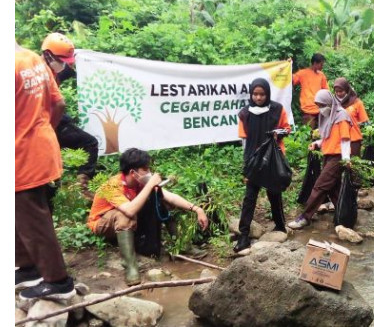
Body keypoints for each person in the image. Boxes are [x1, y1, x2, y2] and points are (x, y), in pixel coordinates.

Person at [87, 148, 209, 285]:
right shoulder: (111, 186)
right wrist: (150, 184)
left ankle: (182, 246)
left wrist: (197, 209)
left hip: (131, 221)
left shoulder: (140, 183)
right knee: (124, 215)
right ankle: (130, 266)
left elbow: (170, 197)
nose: (149, 173)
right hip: (104, 224)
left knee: (159, 197)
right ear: (133, 173)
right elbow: (129, 211)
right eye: (145, 169)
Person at [15, 41, 76, 300]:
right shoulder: (32, 59)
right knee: (20, 214)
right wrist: (41, 129)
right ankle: (27, 268)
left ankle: (58, 281)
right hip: (41, 146)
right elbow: (58, 104)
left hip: (21, 154)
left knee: (33, 218)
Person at [234, 78, 291, 252]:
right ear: (251, 94)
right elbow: (244, 140)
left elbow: (286, 128)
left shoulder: (277, 110)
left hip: (272, 159)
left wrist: (277, 133)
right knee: (249, 198)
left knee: (274, 193)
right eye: (255, 94)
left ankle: (280, 226)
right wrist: (246, 164)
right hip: (254, 160)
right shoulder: (245, 113)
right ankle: (243, 236)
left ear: (267, 94)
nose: (258, 97)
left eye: (262, 94)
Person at [42, 33, 99, 200]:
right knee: (89, 143)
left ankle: (82, 184)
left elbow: (69, 71)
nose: (64, 65)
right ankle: (80, 187)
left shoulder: (54, 67)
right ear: (48, 55)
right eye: (62, 61)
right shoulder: (41, 73)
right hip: (48, 122)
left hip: (57, 118)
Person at [288, 90, 353, 229]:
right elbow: (327, 137)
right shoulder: (328, 117)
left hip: (338, 157)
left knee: (319, 186)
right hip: (328, 155)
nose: (321, 108)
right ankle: (345, 215)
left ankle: (305, 217)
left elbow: (345, 139)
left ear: (330, 102)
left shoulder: (341, 116)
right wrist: (317, 143)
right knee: (333, 188)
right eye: (318, 105)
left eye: (322, 105)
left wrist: (346, 159)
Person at [334, 77, 369, 157]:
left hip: (353, 139)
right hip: (337, 139)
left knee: (353, 165)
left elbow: (364, 121)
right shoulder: (333, 103)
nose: (339, 94)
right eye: (336, 92)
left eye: (341, 91)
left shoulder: (357, 102)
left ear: (346, 89)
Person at [292, 53, 329, 129]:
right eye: (321, 64)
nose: (322, 66)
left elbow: (326, 91)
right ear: (315, 63)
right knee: (308, 134)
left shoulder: (321, 75)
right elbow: (290, 80)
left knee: (321, 134)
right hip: (308, 110)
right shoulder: (302, 73)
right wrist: (288, 65)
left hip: (320, 110)